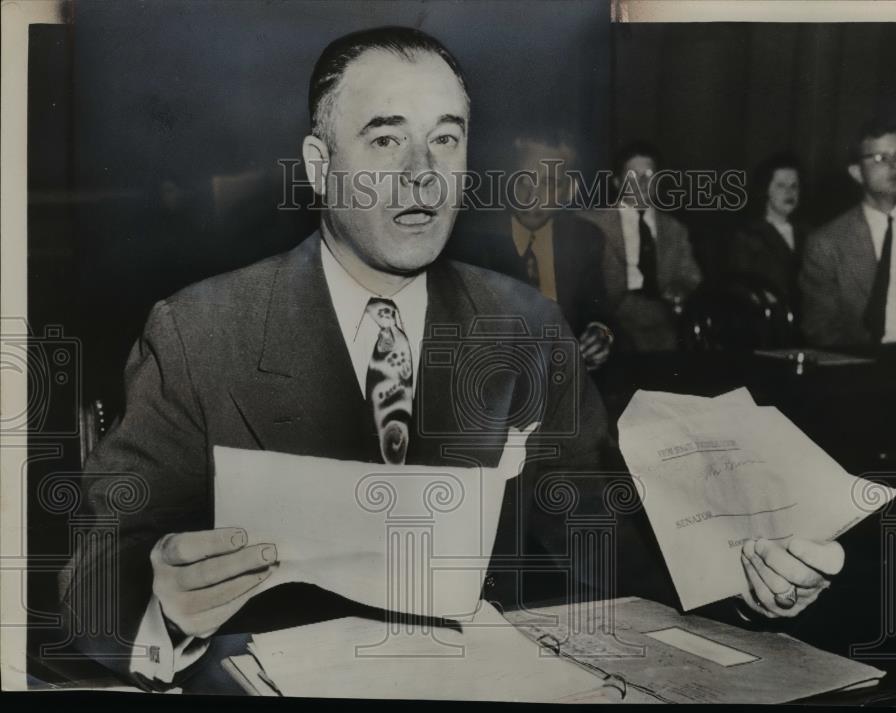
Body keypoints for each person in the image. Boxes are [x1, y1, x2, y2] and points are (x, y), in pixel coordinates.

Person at [59, 27, 844, 691]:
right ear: (319, 162)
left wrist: (739, 567)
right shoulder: (202, 332)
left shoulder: (527, 323)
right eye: (386, 137)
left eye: (445, 139)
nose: (422, 176)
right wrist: (162, 599)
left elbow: (604, 536)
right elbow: (94, 571)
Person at [449, 134, 614, 370]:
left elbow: (600, 312)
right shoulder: (471, 241)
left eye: (549, 183)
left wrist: (601, 333)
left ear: (570, 190)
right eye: (523, 181)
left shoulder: (584, 238)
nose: (532, 197)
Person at [799, 121, 896, 347]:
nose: (895, 166)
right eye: (880, 158)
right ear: (857, 172)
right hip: (867, 360)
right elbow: (821, 329)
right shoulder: (827, 243)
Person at [582, 141, 702, 353]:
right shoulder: (592, 224)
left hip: (665, 323)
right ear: (617, 182)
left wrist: (678, 290)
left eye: (649, 174)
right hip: (612, 323)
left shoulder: (675, 229)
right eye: (633, 176)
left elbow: (691, 276)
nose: (643, 182)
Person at [727, 152, 808, 313]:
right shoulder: (747, 235)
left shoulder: (810, 234)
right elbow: (737, 289)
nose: (789, 192)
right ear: (765, 189)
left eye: (794, 186)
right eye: (781, 185)